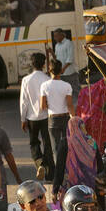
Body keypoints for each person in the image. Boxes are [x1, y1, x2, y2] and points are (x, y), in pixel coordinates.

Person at [39, 59, 73, 192]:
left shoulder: (44, 86)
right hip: (65, 118)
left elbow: (42, 106)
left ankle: (59, 177)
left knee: (55, 149)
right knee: (67, 146)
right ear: (61, 70)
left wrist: (51, 105)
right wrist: (74, 118)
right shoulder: (67, 85)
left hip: (52, 120)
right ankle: (68, 171)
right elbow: (70, 105)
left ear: (49, 70)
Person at [20, 53, 53, 180]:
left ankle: (40, 163)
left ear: (31, 64)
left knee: (34, 143)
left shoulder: (26, 80)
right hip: (46, 117)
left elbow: (24, 102)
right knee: (48, 144)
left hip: (31, 118)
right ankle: (49, 173)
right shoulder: (47, 79)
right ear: (44, 64)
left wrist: (23, 119)